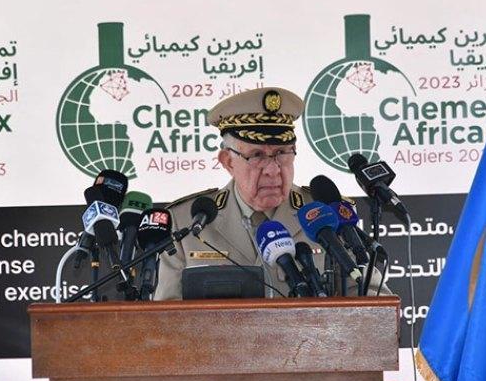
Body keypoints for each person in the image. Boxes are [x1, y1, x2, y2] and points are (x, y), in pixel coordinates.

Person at [153, 87, 386, 300]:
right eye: (257, 155)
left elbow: (374, 301)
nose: (273, 170)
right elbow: (165, 320)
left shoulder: (326, 214)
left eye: (282, 153)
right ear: (228, 162)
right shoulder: (186, 223)